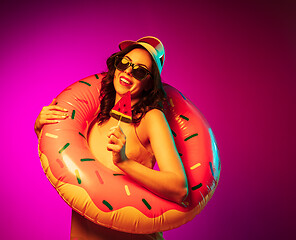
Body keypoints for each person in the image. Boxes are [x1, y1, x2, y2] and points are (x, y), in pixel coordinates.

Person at [34, 36, 188, 240]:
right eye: (124, 63)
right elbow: (63, 161)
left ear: (149, 82)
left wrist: (125, 162)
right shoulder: (95, 112)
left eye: (139, 71)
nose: (127, 72)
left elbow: (179, 187)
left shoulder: (151, 118)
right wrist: (41, 128)